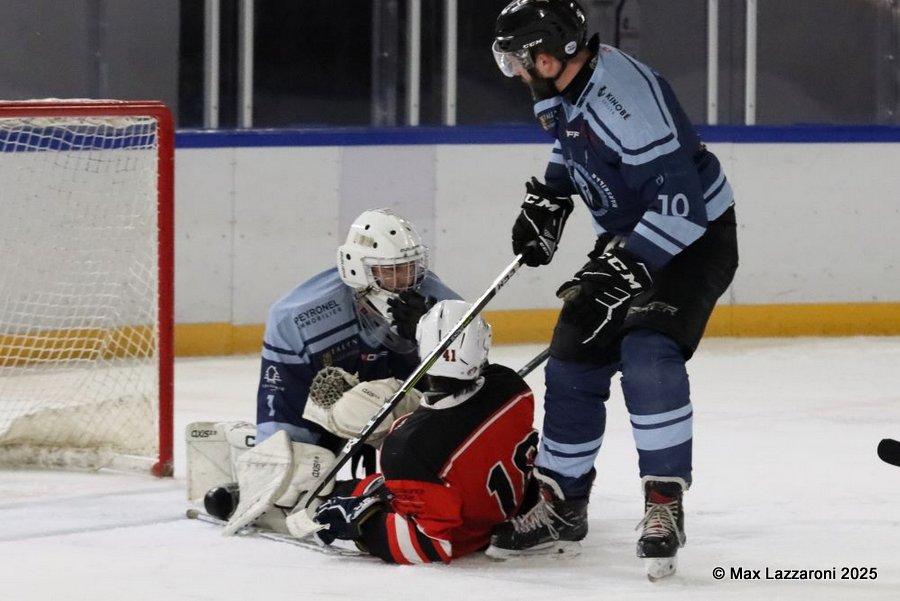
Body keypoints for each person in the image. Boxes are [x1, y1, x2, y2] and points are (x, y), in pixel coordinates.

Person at [488, 0, 739, 579]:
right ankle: (562, 503)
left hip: (692, 239)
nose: (516, 72)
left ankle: (664, 503)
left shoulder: (629, 105)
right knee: (574, 352)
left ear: (547, 55)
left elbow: (682, 210)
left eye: (518, 60)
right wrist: (553, 195)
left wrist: (627, 267)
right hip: (633, 235)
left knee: (648, 349)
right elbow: (572, 138)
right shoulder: (564, 82)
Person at [310, 300, 539, 564]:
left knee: (336, 492)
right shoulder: (512, 386)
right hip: (511, 504)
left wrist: (364, 528)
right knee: (363, 486)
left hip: (469, 532)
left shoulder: (405, 447)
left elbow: (428, 544)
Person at [255, 207, 458, 453]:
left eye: (411, 266)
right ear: (356, 268)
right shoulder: (298, 320)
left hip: (416, 419)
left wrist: (432, 336)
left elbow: (469, 391)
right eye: (391, 270)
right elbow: (283, 424)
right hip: (326, 418)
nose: (406, 280)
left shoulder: (440, 304)